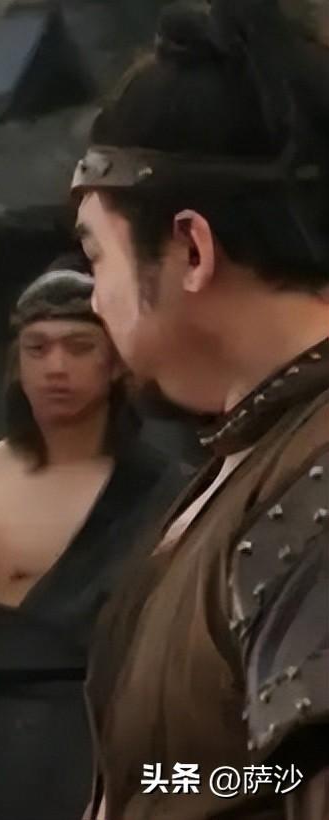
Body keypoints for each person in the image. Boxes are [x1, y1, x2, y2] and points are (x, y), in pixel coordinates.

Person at [70, 2, 329, 818]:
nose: (94, 299)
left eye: (96, 254)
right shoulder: (255, 456)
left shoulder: (313, 473)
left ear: (190, 249)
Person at [0, 260, 187, 820]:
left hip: (139, 751)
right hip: (9, 753)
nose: (56, 367)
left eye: (79, 347)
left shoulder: (176, 494)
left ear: (116, 362)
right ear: (17, 364)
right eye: (38, 348)